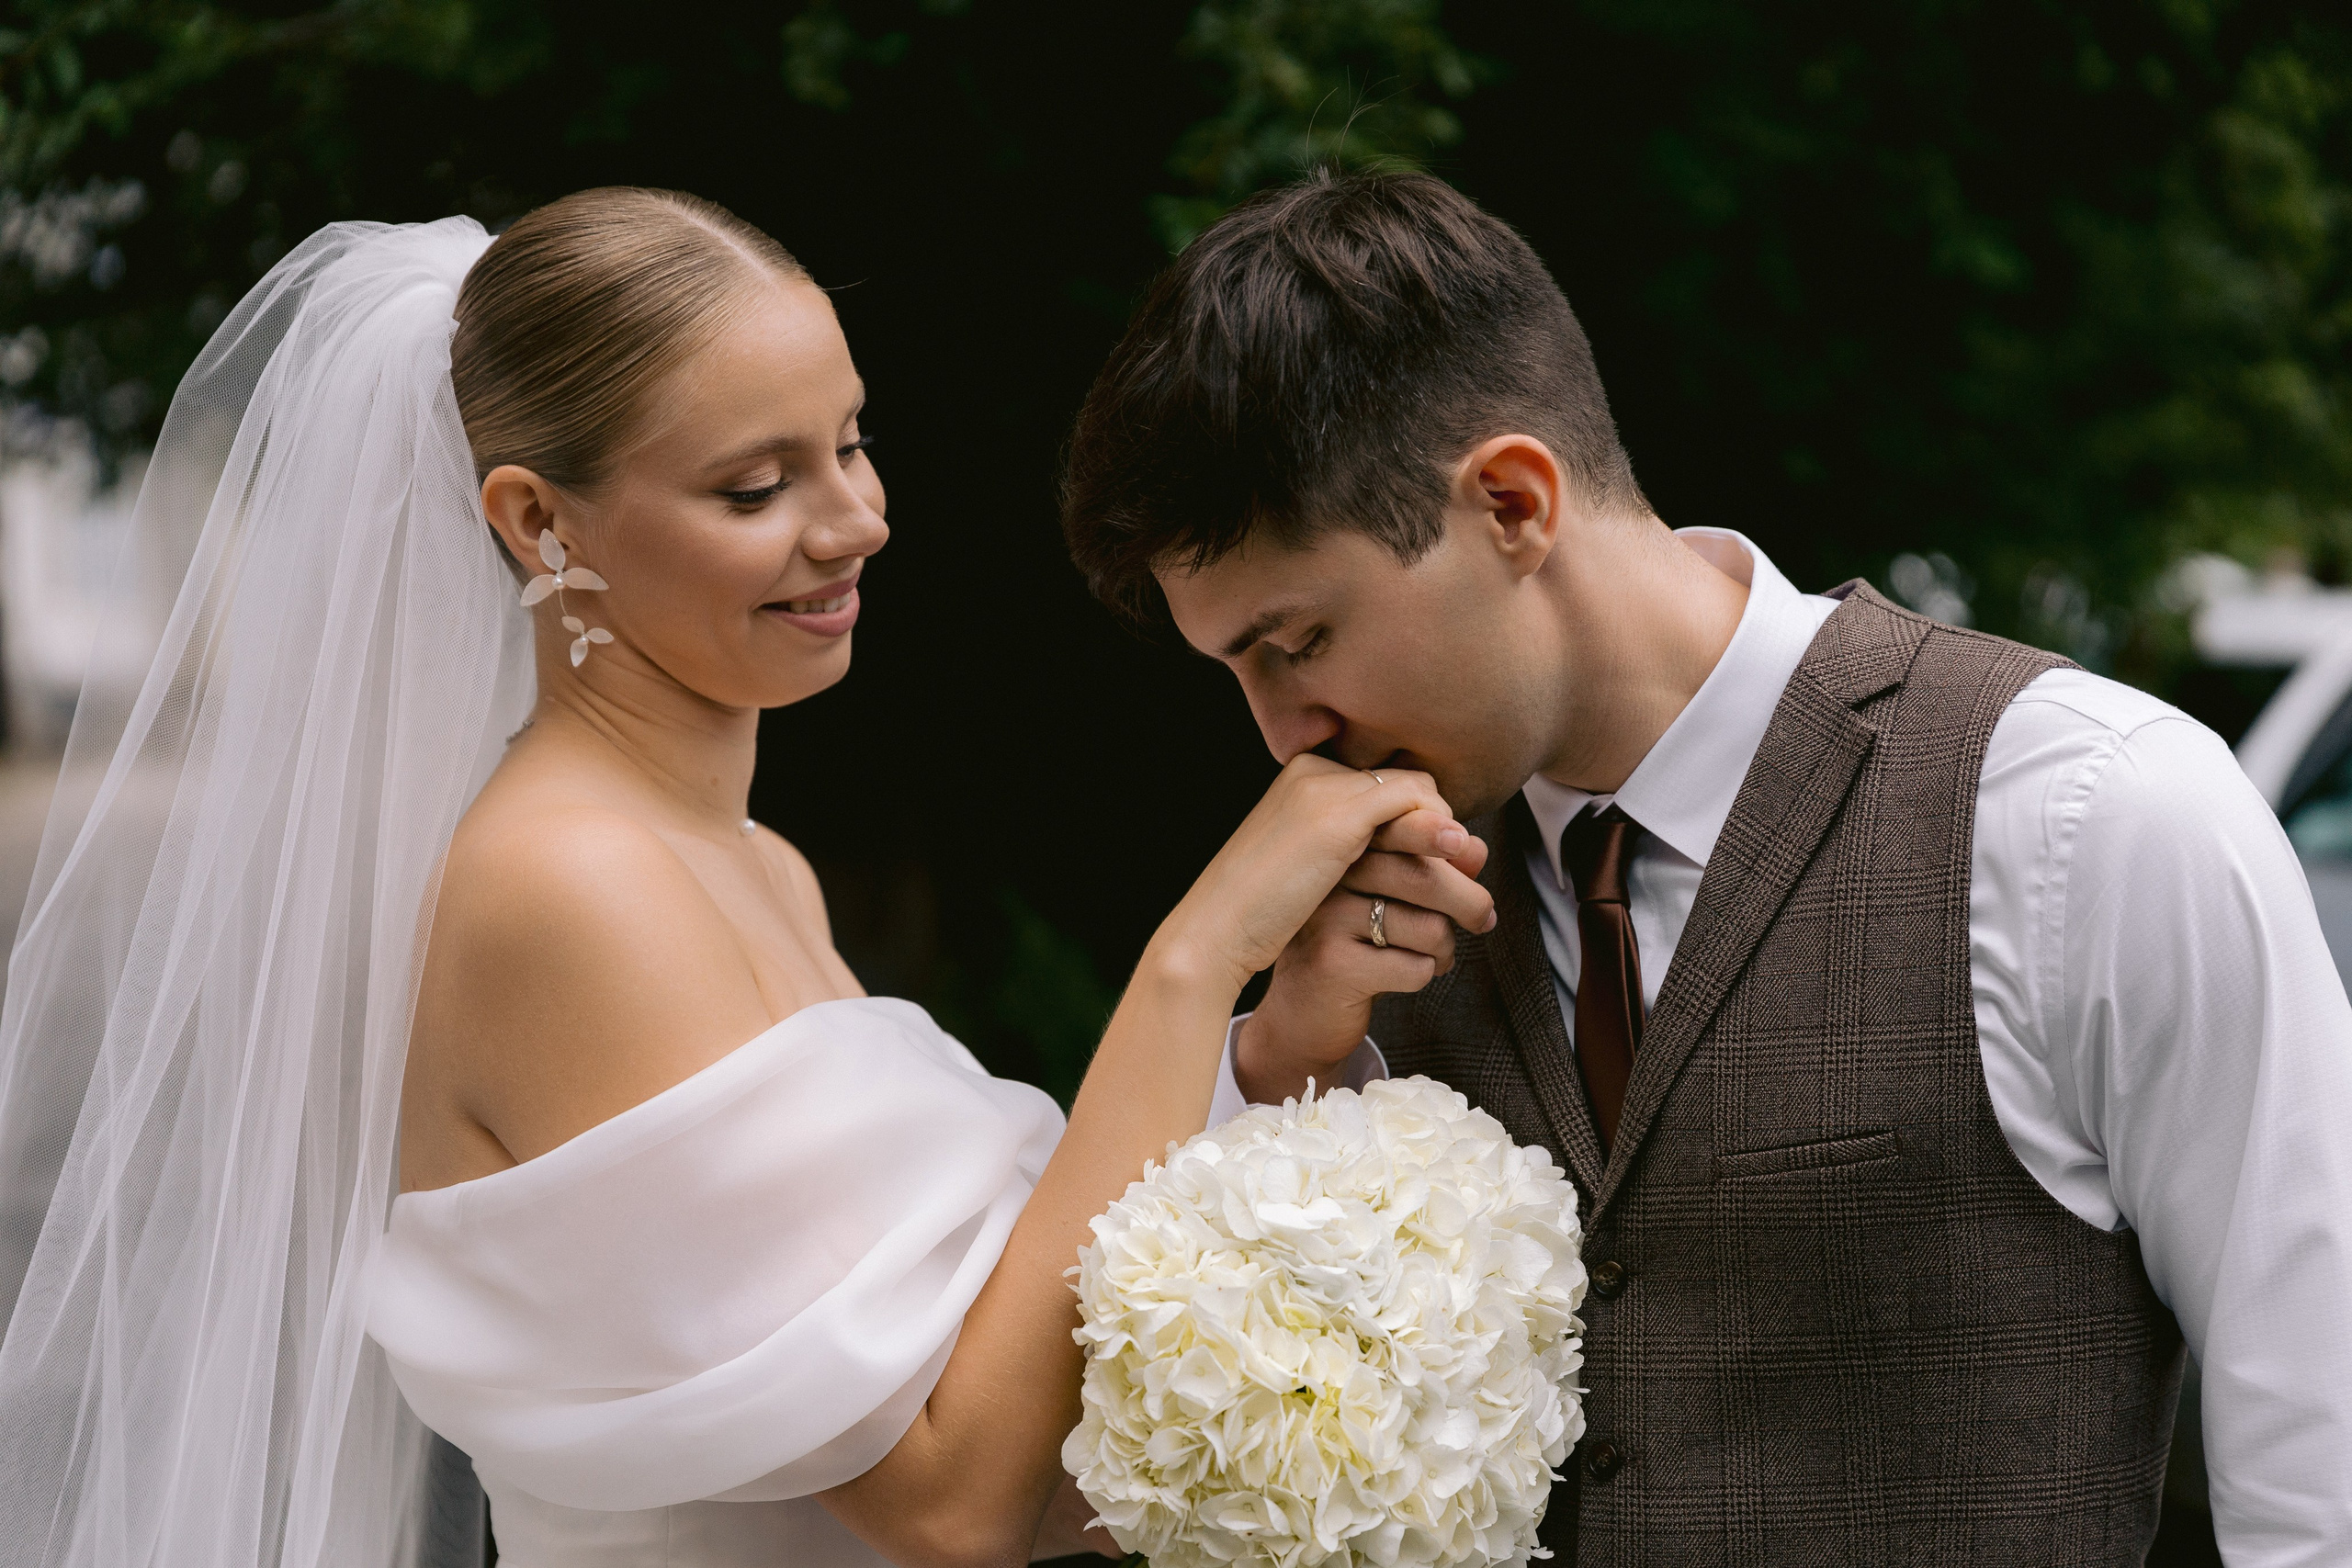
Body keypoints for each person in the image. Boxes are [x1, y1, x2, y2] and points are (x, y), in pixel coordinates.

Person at [0, 189, 1466, 1568]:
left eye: (852, 443)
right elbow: (953, 1497)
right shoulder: (567, 892)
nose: (856, 521)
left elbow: (1021, 1358)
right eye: (757, 486)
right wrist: (1196, 955)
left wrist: (1281, 1048)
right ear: (537, 522)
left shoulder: (754, 864)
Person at [1062, 169, 2352, 1566]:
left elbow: (2323, 1460)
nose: (1282, 737)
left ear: (1512, 504)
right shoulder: (1355, 928)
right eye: (1238, 670)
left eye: (1299, 643)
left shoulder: (2089, 812)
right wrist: (1282, 1066)